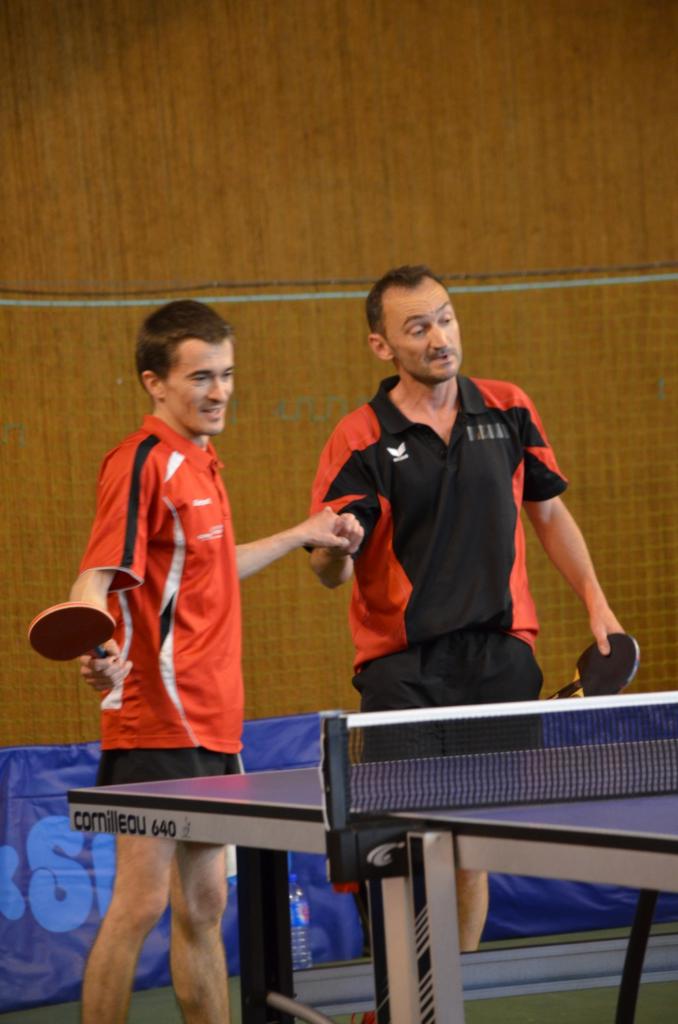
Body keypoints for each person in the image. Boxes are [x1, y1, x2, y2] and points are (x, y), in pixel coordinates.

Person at [308, 265, 623, 951]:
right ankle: (400, 989)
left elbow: (548, 512)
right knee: (397, 848)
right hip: (402, 670)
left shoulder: (508, 408)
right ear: (382, 346)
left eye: (445, 318)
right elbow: (330, 570)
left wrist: (597, 605)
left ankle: (456, 987)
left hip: (499, 659)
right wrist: (337, 551)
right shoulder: (360, 437)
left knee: (470, 848)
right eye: (417, 327)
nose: (439, 337)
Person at [68, 299, 361, 1024]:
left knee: (203, 905)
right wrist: (98, 645)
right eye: (201, 376)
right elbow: (96, 577)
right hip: (156, 717)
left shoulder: (204, 463)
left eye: (226, 374)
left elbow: (209, 568)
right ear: (155, 382)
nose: (219, 390)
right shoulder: (142, 462)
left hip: (214, 721)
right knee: (139, 904)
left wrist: (299, 534)